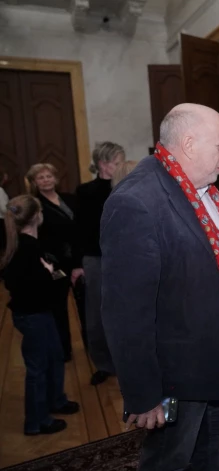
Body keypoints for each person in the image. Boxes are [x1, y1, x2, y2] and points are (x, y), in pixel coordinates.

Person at [100, 103, 219, 471]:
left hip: (213, 367)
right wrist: (144, 395)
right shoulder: (136, 201)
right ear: (189, 144)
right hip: (177, 379)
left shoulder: (202, 191)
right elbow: (125, 314)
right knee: (169, 463)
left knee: (212, 458)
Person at [1, 195, 79, 436]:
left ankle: (56, 400)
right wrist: (51, 274)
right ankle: (36, 422)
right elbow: (38, 284)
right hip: (33, 316)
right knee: (37, 368)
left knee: (55, 357)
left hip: (41, 313)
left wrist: (52, 273)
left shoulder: (30, 244)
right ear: (37, 216)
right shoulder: (25, 248)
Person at [73, 141, 125, 385]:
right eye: (117, 162)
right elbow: (79, 230)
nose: (121, 166)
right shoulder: (86, 192)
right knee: (96, 314)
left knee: (124, 311)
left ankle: (126, 360)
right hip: (95, 258)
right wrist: (77, 263)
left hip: (123, 258)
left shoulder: (126, 186)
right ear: (103, 164)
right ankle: (103, 363)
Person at [26, 163, 78, 361]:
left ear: (55, 179)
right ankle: (64, 349)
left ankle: (92, 347)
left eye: (49, 176)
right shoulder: (35, 205)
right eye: (41, 177)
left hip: (78, 259)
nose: (46, 180)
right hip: (55, 263)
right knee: (59, 307)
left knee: (85, 307)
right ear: (34, 182)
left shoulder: (70, 199)